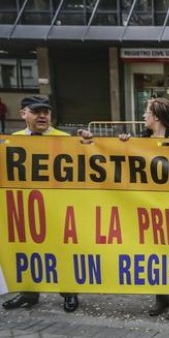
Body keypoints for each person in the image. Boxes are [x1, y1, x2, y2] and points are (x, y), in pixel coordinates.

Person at [3, 96, 79, 312]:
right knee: (26, 250)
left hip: (57, 207)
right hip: (26, 208)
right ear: (23, 114)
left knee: (62, 251)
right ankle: (28, 293)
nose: (43, 116)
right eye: (36, 111)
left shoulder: (65, 138)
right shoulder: (12, 140)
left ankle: (69, 293)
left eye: (46, 111)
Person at [120, 98, 169, 319]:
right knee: (153, 254)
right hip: (148, 206)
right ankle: (160, 299)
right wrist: (123, 143)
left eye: (147, 112)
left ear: (157, 116)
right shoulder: (142, 140)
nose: (143, 116)